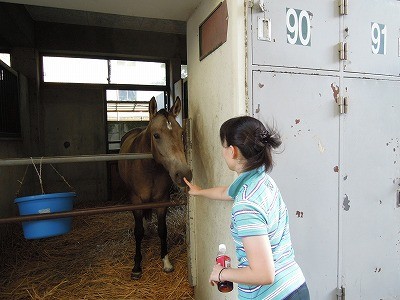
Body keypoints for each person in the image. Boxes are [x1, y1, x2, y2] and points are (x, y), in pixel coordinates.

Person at [184, 116, 310, 300]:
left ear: (232, 151)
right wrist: (200, 192)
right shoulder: (260, 182)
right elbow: (226, 192)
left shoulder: (246, 205)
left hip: (274, 296)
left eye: (223, 146)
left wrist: (221, 273)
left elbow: (263, 274)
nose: (222, 151)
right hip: (294, 285)